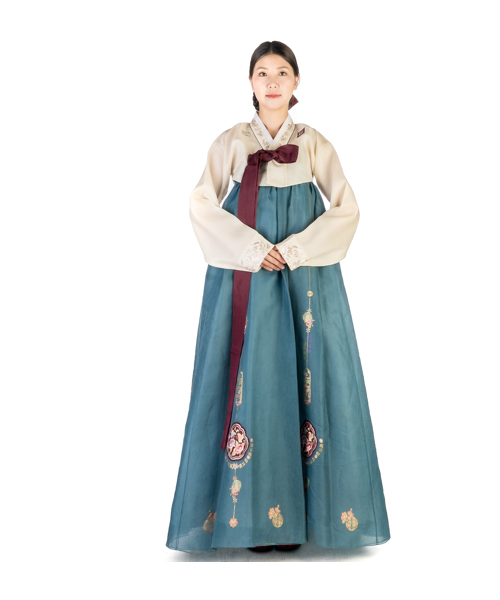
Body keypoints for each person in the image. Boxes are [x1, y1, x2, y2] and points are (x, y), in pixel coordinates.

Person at [166, 41, 391, 555]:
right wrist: (252, 249)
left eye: (282, 73)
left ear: (296, 83)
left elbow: (347, 207)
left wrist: (292, 250)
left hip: (301, 277)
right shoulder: (230, 142)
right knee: (254, 378)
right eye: (263, 73)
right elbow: (200, 203)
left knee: (311, 373)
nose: (272, 82)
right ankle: (250, 519)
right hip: (246, 276)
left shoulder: (313, 143)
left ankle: (303, 520)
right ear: (250, 82)